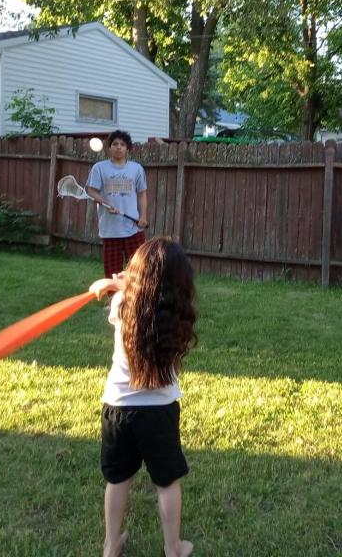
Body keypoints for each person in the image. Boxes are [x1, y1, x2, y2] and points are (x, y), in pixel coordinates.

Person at [88, 237, 198, 557]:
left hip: (118, 408)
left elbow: (122, 287)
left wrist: (111, 282)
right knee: (167, 482)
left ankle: (111, 545)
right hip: (159, 411)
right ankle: (173, 548)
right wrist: (118, 282)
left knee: (118, 478)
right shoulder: (177, 315)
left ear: (136, 274)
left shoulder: (121, 305)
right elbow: (145, 288)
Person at [86, 131, 149, 277]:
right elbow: (91, 191)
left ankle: (138, 298)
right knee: (112, 272)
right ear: (109, 147)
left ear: (128, 148)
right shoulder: (99, 168)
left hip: (133, 228)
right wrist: (106, 203)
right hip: (109, 229)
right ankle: (113, 299)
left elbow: (142, 194)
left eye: (122, 144)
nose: (118, 147)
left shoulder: (136, 168)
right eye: (115, 144)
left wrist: (143, 216)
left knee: (139, 270)